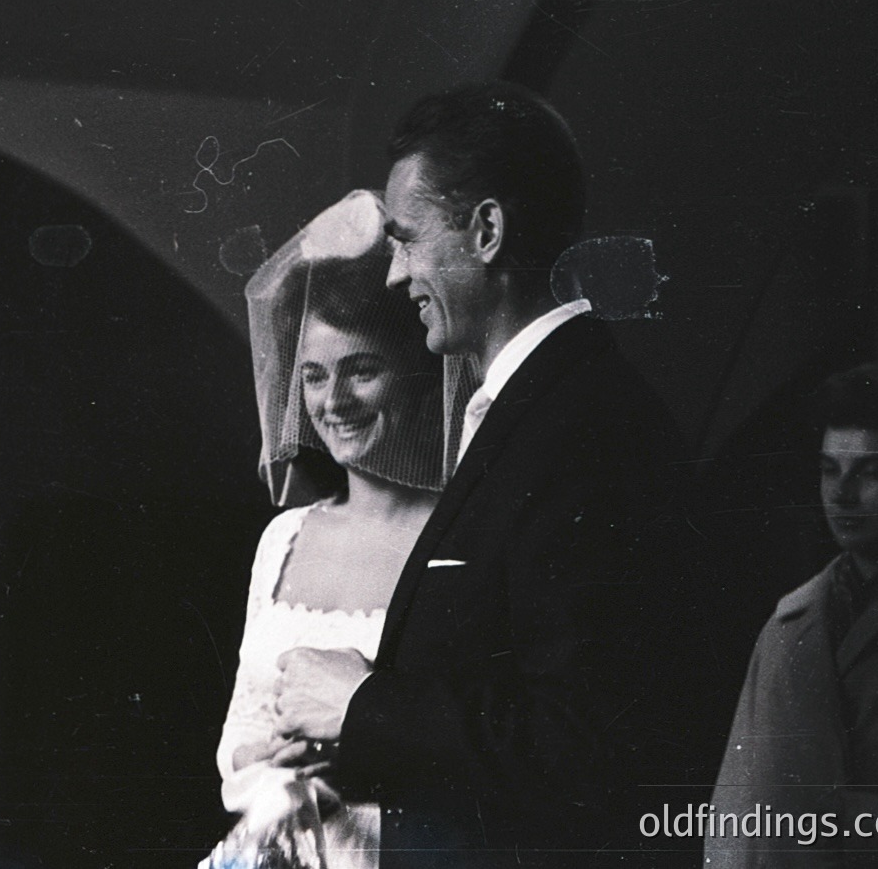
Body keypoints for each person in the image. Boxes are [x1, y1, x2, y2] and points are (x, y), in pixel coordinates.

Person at [269, 82, 711, 865]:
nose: (397, 275)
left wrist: (363, 706)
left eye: (407, 241)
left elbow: (592, 739)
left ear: (486, 231)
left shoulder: (587, 426)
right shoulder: (536, 410)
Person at [205, 190, 449, 869]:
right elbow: (240, 743)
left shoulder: (456, 539)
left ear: (421, 377)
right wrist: (273, 763)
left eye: (361, 370)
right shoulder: (283, 539)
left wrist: (360, 741)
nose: (332, 402)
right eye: (313, 376)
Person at [705, 366, 878, 868]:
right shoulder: (788, 624)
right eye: (829, 469)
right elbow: (733, 813)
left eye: (872, 472)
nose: (842, 494)